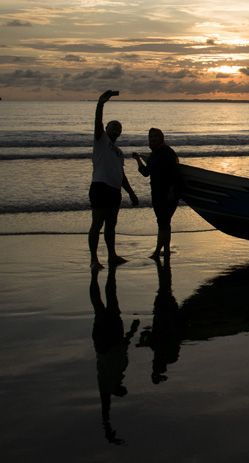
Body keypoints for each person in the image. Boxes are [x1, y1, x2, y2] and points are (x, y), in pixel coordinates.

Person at [88, 90, 139, 270]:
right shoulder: (101, 140)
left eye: (119, 128)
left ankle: (112, 256)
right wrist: (101, 103)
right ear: (107, 129)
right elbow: (97, 123)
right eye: (113, 126)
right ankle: (94, 260)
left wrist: (131, 193)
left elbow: (121, 175)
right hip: (100, 187)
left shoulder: (118, 152)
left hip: (114, 191)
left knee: (111, 225)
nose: (116, 129)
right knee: (97, 223)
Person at [90, 266, 139, 445]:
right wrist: (133, 329)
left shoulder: (106, 385)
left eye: (121, 392)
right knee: (111, 300)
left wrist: (107, 427)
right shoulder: (121, 370)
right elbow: (123, 347)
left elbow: (105, 408)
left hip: (104, 343)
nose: (122, 390)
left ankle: (94, 276)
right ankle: (109, 272)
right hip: (113, 338)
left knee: (99, 306)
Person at [133, 128, 180, 260]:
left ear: (161, 138)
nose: (152, 139)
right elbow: (145, 172)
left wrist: (172, 192)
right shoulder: (154, 154)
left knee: (163, 223)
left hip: (167, 194)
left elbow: (175, 174)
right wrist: (137, 159)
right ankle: (165, 250)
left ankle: (159, 251)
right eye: (150, 137)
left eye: (155, 137)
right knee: (164, 223)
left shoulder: (167, 152)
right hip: (157, 193)